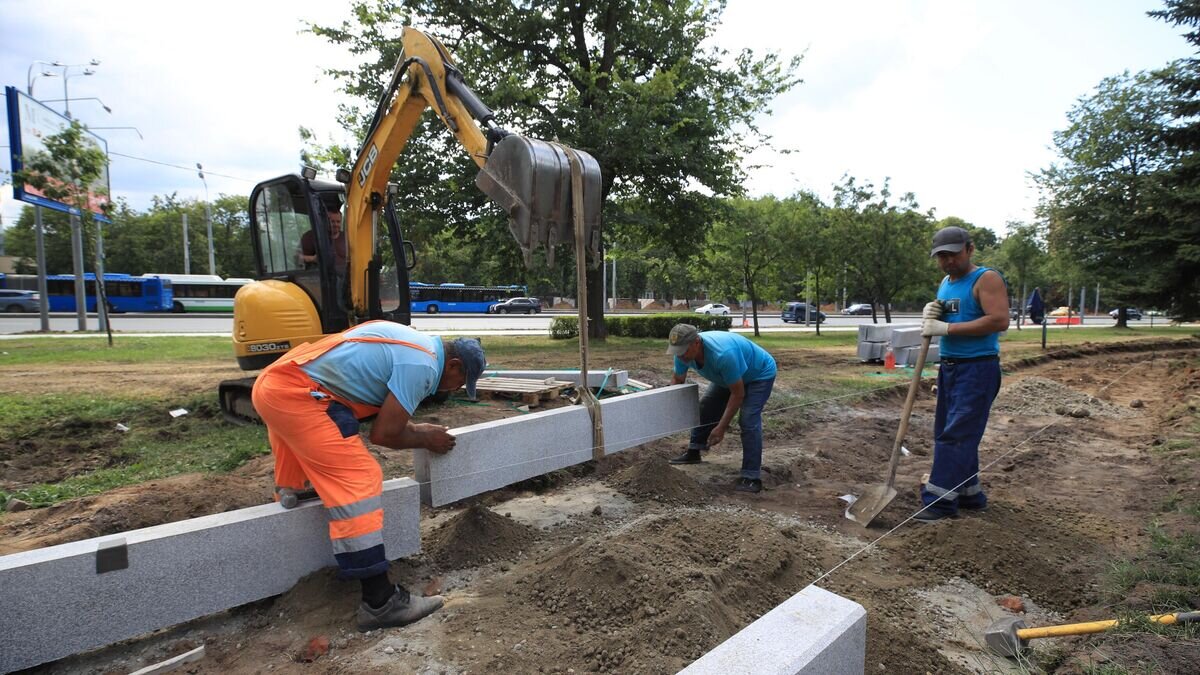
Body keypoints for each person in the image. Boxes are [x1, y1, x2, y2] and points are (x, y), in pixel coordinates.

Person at [250, 321, 486, 630]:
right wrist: (424, 438)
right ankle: (380, 602)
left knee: (318, 480)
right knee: (359, 478)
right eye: (459, 382)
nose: (454, 390)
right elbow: (384, 433)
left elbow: (378, 408)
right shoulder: (423, 365)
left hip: (277, 384)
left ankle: (295, 492)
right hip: (301, 394)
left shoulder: (417, 345)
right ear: (453, 365)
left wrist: (416, 430)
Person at [917, 226, 1010, 522]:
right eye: (941, 256)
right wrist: (935, 314)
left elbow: (999, 320)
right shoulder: (945, 282)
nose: (948, 261)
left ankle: (939, 502)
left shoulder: (987, 279)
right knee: (953, 433)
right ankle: (970, 494)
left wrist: (946, 328)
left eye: (953, 254)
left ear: (969, 249)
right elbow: (957, 313)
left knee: (955, 435)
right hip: (951, 368)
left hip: (977, 368)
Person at [665, 323, 777, 493]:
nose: (680, 356)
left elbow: (738, 394)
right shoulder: (681, 354)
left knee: (748, 420)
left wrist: (721, 427)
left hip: (758, 375)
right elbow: (678, 380)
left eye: (683, 350)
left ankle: (751, 476)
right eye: (676, 351)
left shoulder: (723, 355)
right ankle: (694, 451)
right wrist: (668, 410)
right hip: (728, 376)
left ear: (696, 342)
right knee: (707, 406)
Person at [298, 207, 347, 271]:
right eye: (332, 221)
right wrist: (313, 259)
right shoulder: (311, 236)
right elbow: (297, 258)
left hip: (344, 277)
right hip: (320, 277)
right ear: (324, 221)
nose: (336, 224)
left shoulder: (346, 237)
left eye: (338, 222)